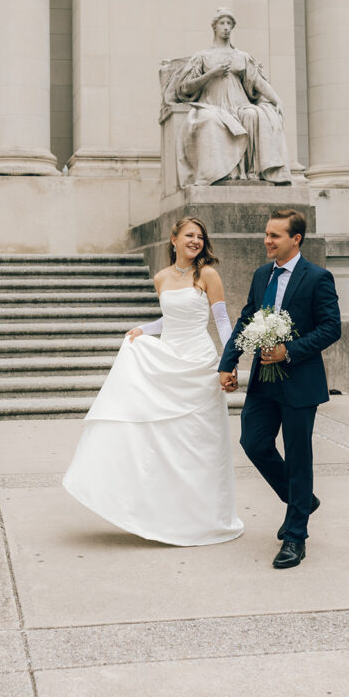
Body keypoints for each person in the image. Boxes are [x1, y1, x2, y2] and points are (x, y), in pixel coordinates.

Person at [63, 217, 244, 546]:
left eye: (200, 237)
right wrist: (143, 330)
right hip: (169, 360)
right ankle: (164, 513)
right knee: (166, 440)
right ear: (173, 239)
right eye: (189, 235)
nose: (196, 241)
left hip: (199, 363)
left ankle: (207, 516)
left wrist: (228, 362)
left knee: (200, 442)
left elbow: (220, 319)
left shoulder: (208, 274)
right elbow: (170, 318)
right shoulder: (160, 278)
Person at [219, 209, 341, 569]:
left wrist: (291, 350)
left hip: (300, 382)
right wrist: (228, 362)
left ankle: (295, 536)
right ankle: (300, 499)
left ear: (296, 239)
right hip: (262, 381)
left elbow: (331, 328)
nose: (267, 241)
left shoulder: (318, 277)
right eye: (267, 234)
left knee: (299, 456)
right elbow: (246, 319)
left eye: (275, 235)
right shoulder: (261, 276)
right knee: (253, 442)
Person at [173, 8, 291, 186]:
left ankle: (250, 172)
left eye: (229, 24)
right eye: (222, 23)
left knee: (253, 115)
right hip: (211, 105)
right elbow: (185, 87)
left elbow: (258, 82)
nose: (226, 28)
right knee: (211, 120)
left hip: (239, 105)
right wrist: (212, 73)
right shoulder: (203, 57)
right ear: (215, 27)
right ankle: (221, 173)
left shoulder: (242, 57)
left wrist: (277, 100)